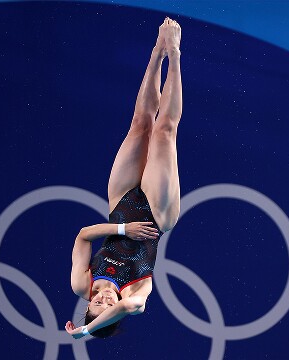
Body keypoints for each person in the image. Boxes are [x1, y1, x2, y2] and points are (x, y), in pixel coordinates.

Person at [65, 17, 182, 339]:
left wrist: (121, 229)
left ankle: (157, 52)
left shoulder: (82, 284)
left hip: (121, 204)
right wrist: (87, 331)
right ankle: (174, 52)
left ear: (88, 304)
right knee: (164, 133)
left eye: (95, 304)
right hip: (159, 215)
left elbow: (83, 235)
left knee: (140, 124)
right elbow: (127, 309)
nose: (103, 298)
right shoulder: (135, 297)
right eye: (106, 305)